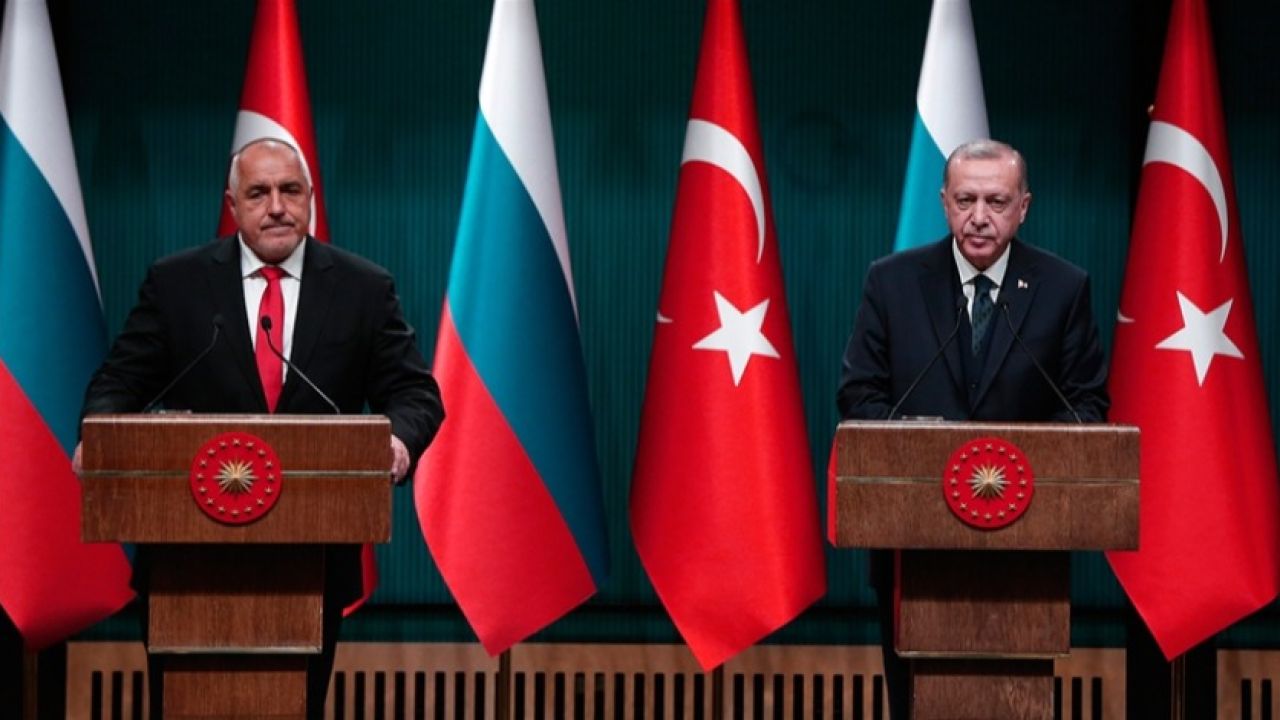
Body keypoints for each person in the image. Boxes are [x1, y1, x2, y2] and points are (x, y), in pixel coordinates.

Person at [76, 137, 445, 719]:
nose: (276, 206)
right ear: (233, 205)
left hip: (313, 560)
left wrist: (397, 442)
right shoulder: (177, 283)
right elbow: (119, 381)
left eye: (290, 190)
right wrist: (98, 437)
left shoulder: (363, 288)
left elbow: (415, 394)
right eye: (258, 193)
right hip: (185, 564)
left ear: (311, 199)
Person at [836, 139, 1108, 716]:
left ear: (1023, 207)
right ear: (943, 202)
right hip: (913, 544)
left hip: (1027, 550)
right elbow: (859, 397)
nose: (979, 217)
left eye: (996, 201)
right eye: (965, 200)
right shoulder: (893, 283)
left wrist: (1022, 454)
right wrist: (928, 445)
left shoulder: (1063, 287)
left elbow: (1086, 405)